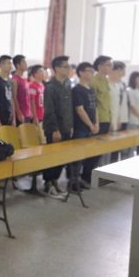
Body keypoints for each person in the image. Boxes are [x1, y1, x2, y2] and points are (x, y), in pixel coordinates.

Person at [43, 56, 73, 199]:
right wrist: (55, 130)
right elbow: (49, 111)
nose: (68, 69)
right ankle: (48, 184)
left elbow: (69, 108)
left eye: (69, 66)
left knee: (61, 158)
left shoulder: (67, 85)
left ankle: (54, 181)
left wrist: (70, 126)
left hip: (66, 127)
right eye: (66, 67)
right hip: (54, 129)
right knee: (52, 158)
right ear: (57, 69)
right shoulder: (51, 87)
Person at [72, 63, 100, 187]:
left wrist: (96, 123)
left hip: (91, 127)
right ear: (81, 73)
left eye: (93, 71)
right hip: (81, 128)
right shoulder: (77, 90)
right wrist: (90, 125)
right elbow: (80, 110)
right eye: (90, 71)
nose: (93, 74)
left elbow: (95, 108)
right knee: (77, 156)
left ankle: (81, 179)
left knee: (87, 156)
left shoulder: (91, 89)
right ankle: (73, 182)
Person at [91, 55, 113, 166]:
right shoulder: (94, 81)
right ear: (100, 66)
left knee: (102, 150)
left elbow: (107, 102)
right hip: (98, 120)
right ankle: (88, 173)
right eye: (108, 65)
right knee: (94, 151)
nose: (111, 67)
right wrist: (96, 122)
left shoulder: (105, 80)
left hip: (106, 118)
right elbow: (93, 103)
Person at [0, 55, 15, 129]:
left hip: (9, 116)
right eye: (9, 63)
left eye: (11, 63)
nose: (11, 66)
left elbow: (11, 100)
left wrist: (13, 118)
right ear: (1, 65)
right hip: (0, 115)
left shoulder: (10, 82)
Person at [12, 55, 32, 126]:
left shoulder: (25, 78)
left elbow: (27, 97)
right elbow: (14, 98)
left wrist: (30, 111)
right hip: (20, 114)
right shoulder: (15, 79)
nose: (26, 64)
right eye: (23, 62)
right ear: (18, 65)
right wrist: (19, 113)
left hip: (27, 113)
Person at [109, 62, 127, 133]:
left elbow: (118, 104)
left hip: (115, 120)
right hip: (109, 121)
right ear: (111, 71)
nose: (121, 74)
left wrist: (119, 119)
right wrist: (110, 121)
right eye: (118, 71)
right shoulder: (107, 85)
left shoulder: (117, 85)